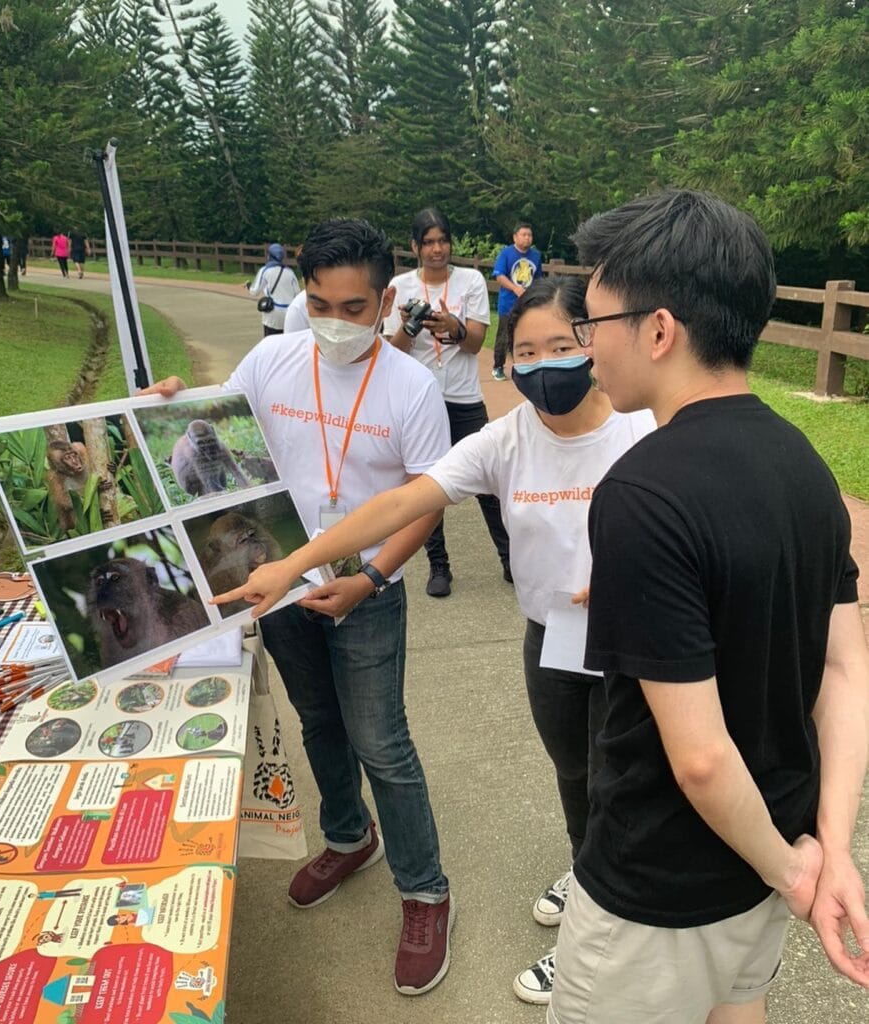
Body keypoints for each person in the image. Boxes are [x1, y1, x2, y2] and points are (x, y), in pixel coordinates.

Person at [211, 274, 655, 1006]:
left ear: (593, 342)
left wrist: (634, 579)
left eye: (561, 346)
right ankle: (590, 876)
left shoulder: (645, 430)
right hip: (550, 641)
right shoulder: (506, 440)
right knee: (576, 777)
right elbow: (403, 501)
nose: (544, 365)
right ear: (506, 361)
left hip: (633, 644)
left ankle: (597, 944)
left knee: (627, 783)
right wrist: (292, 565)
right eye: (526, 352)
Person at [538, 188, 869, 1023]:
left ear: (658, 330)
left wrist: (796, 872)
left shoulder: (641, 494)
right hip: (771, 846)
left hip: (658, 885)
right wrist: (828, 849)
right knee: (738, 1005)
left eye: (594, 324)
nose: (586, 346)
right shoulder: (806, 466)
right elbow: (845, 667)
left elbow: (700, 759)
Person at [144, 218, 454, 997]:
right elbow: (207, 427)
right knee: (318, 720)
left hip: (365, 591)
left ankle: (425, 891)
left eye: (353, 308)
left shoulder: (412, 388)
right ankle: (348, 836)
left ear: (386, 302)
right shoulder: (272, 360)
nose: (334, 323)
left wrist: (370, 579)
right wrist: (168, 403)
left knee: (382, 742)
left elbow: (427, 502)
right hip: (279, 581)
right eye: (319, 305)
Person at [385, 207, 511, 596]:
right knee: (426, 485)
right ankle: (438, 566)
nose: (437, 249)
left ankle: (511, 558)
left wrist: (453, 327)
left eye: (443, 241)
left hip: (463, 397)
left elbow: (474, 344)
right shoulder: (400, 286)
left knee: (488, 481)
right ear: (414, 247)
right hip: (420, 400)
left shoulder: (469, 280)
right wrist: (411, 326)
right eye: (428, 242)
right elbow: (393, 353)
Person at [491, 222, 542, 381]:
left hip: (528, 304)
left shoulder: (536, 256)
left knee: (527, 335)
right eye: (524, 235)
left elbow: (538, 279)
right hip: (508, 303)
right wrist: (515, 288)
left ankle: (524, 366)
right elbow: (499, 276)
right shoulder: (506, 254)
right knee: (504, 335)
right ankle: (498, 366)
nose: (527, 238)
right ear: (515, 237)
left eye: (530, 235)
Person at [248, 243, 301, 337]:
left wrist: (248, 286)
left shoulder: (265, 270)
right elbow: (297, 293)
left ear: (269, 256)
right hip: (288, 314)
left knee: (270, 340)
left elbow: (254, 291)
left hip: (272, 314)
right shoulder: (290, 272)